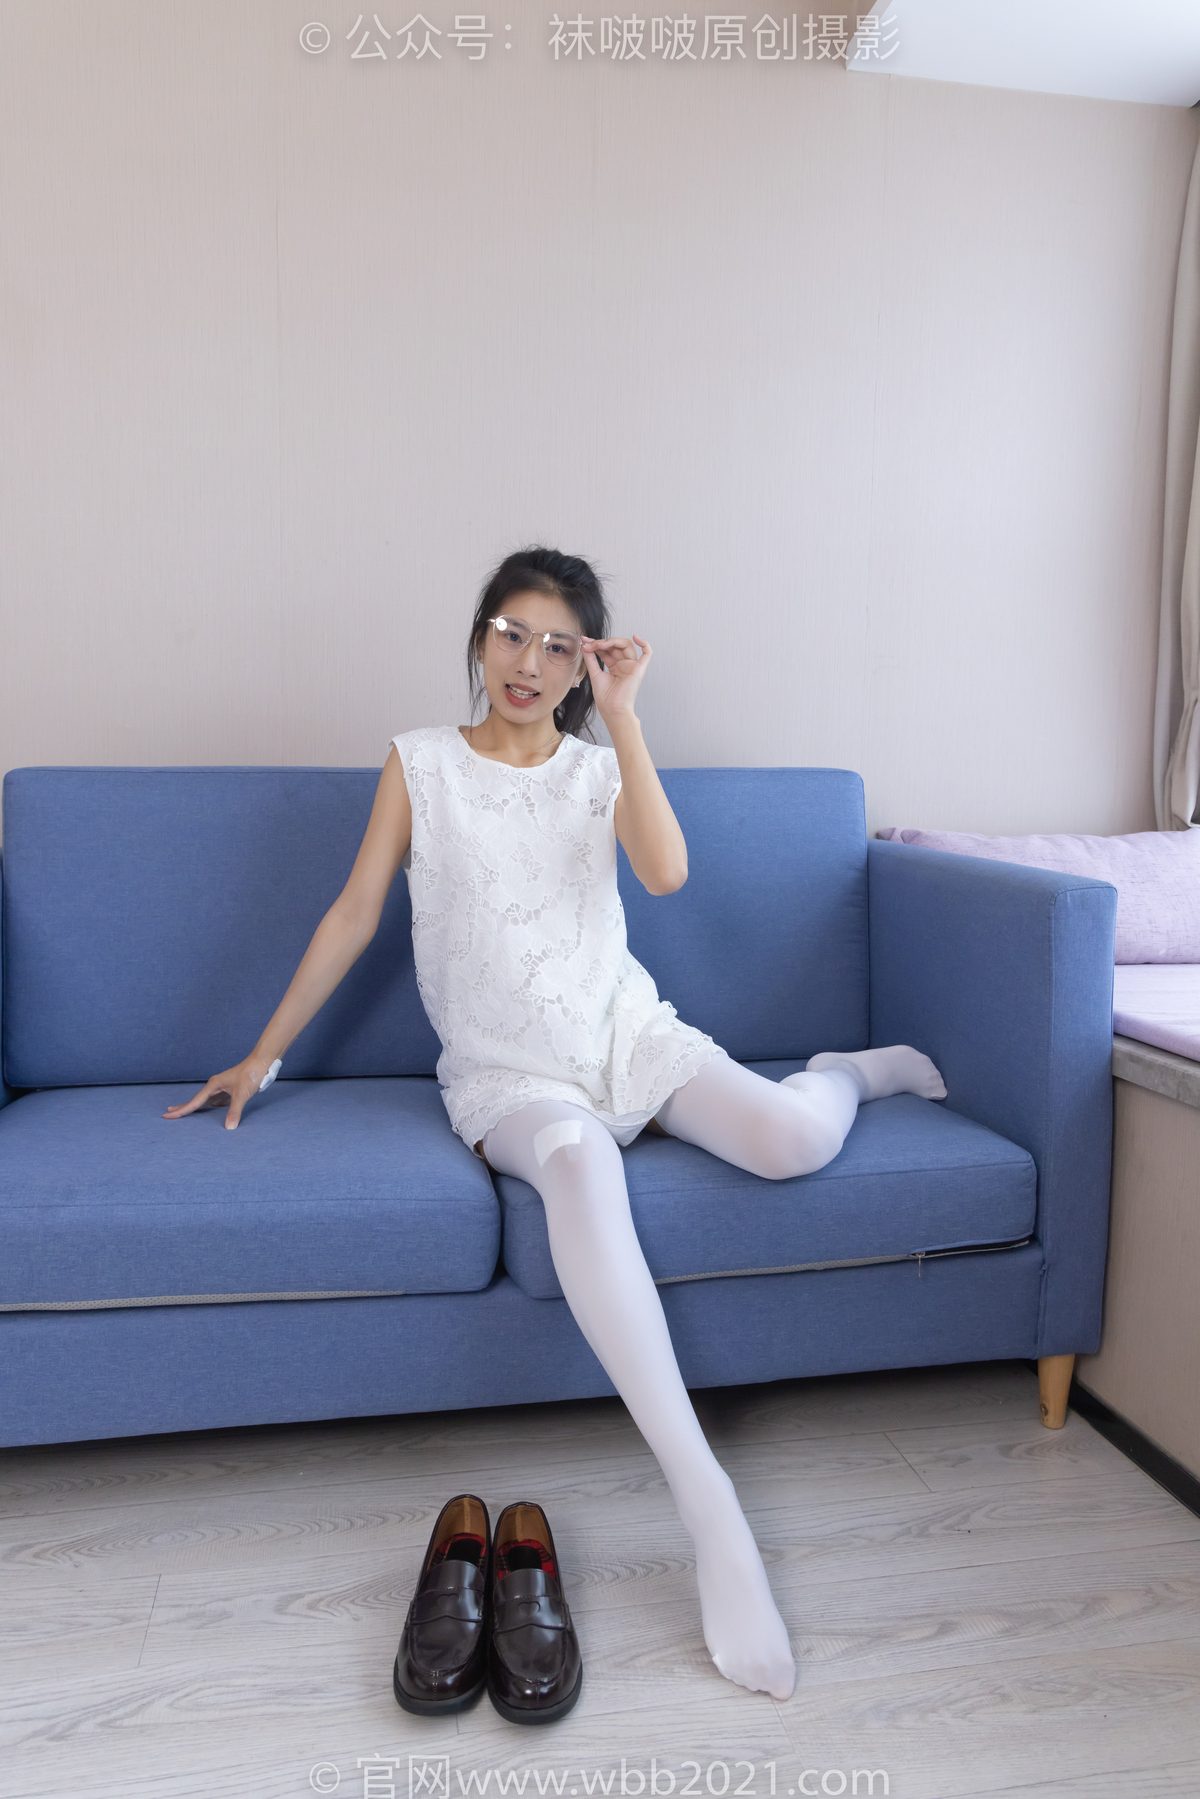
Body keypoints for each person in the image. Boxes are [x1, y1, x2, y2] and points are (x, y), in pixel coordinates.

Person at [163, 544, 947, 1702]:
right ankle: (710, 1507)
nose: (527, 662)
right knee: (580, 1159)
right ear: (480, 636)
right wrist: (260, 1055)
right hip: (509, 1072)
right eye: (510, 632)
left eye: (556, 645)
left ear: (585, 664)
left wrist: (625, 717)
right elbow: (354, 912)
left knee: (795, 1140)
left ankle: (845, 1074)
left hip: (628, 1034)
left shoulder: (596, 766)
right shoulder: (421, 763)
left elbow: (666, 873)